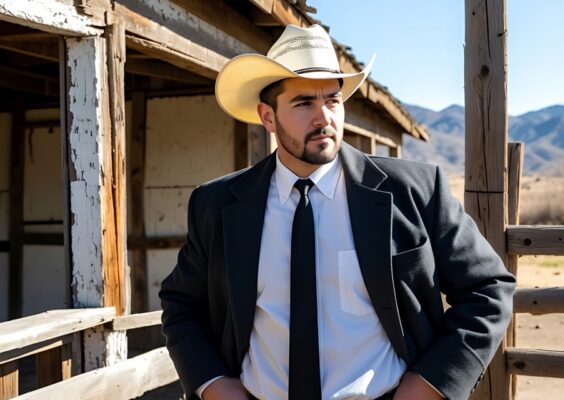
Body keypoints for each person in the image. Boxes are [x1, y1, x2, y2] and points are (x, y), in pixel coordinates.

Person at [159, 24, 515, 400]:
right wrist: (214, 384)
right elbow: (182, 304)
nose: (324, 118)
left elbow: (488, 288)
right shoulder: (217, 204)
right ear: (268, 117)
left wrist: (430, 384)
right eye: (303, 104)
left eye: (332, 100)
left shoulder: (414, 190)